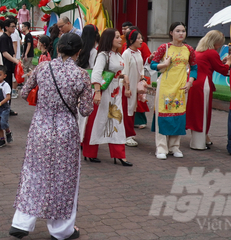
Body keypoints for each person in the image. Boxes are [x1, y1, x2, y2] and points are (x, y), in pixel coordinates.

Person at [9, 33, 93, 240]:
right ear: (78, 51)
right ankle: (61, 229)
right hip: (66, 130)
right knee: (64, 178)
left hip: (40, 127)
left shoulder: (43, 68)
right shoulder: (82, 75)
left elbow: (23, 92)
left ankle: (21, 222)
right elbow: (86, 110)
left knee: (34, 172)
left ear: (58, 49)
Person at [83, 28, 132, 166]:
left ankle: (120, 155)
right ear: (109, 39)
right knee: (97, 121)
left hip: (115, 92)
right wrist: (97, 92)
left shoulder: (117, 55)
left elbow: (118, 72)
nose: (120, 39)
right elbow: (96, 74)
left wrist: (124, 77)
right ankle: (89, 152)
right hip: (104, 92)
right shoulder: (103, 55)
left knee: (117, 121)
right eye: (116, 37)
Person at [151, 22, 197, 160]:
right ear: (171, 33)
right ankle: (161, 147)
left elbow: (194, 68)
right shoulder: (163, 48)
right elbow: (153, 64)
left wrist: (190, 82)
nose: (181, 33)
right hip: (165, 86)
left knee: (178, 115)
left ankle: (174, 147)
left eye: (183, 31)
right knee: (162, 115)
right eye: (178, 31)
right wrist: (163, 64)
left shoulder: (189, 49)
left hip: (181, 87)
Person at [186, 30, 231, 150]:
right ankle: (198, 143)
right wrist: (229, 62)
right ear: (215, 42)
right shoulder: (211, 52)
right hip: (203, 84)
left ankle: (199, 140)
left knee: (196, 112)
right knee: (202, 113)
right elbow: (222, 70)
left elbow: (213, 65)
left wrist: (222, 62)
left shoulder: (198, 51)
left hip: (194, 82)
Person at [121, 28, 146, 147]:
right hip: (128, 86)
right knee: (128, 110)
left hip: (135, 86)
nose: (141, 40)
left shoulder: (138, 52)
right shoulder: (126, 54)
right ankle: (127, 135)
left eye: (141, 38)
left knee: (133, 109)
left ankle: (129, 133)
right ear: (131, 40)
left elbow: (141, 68)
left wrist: (142, 78)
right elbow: (124, 72)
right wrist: (127, 87)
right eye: (139, 38)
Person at [0, 19, 20, 114]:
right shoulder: (3, 38)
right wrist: (15, 60)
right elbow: (5, 53)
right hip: (5, 67)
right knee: (5, 89)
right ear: (6, 27)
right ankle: (4, 108)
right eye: (12, 26)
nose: (14, 28)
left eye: (15, 26)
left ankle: (7, 107)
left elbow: (10, 52)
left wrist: (15, 59)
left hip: (9, 67)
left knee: (8, 88)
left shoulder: (9, 37)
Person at [0, 65, 13, 148]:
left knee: (3, 122)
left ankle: (8, 131)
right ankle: (2, 139)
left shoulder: (5, 85)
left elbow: (8, 97)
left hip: (4, 107)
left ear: (4, 76)